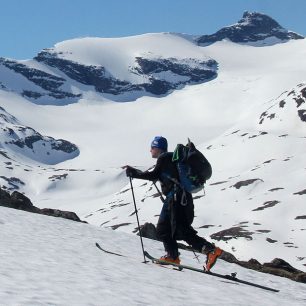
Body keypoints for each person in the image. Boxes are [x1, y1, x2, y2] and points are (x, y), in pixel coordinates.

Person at [125, 136, 223, 271]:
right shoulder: (172, 158)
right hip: (185, 199)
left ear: (157, 147)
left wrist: (134, 173)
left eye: (152, 148)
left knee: (163, 229)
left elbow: (153, 175)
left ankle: (172, 256)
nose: (150, 151)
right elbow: (158, 174)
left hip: (175, 198)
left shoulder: (164, 158)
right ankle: (211, 250)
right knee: (183, 230)